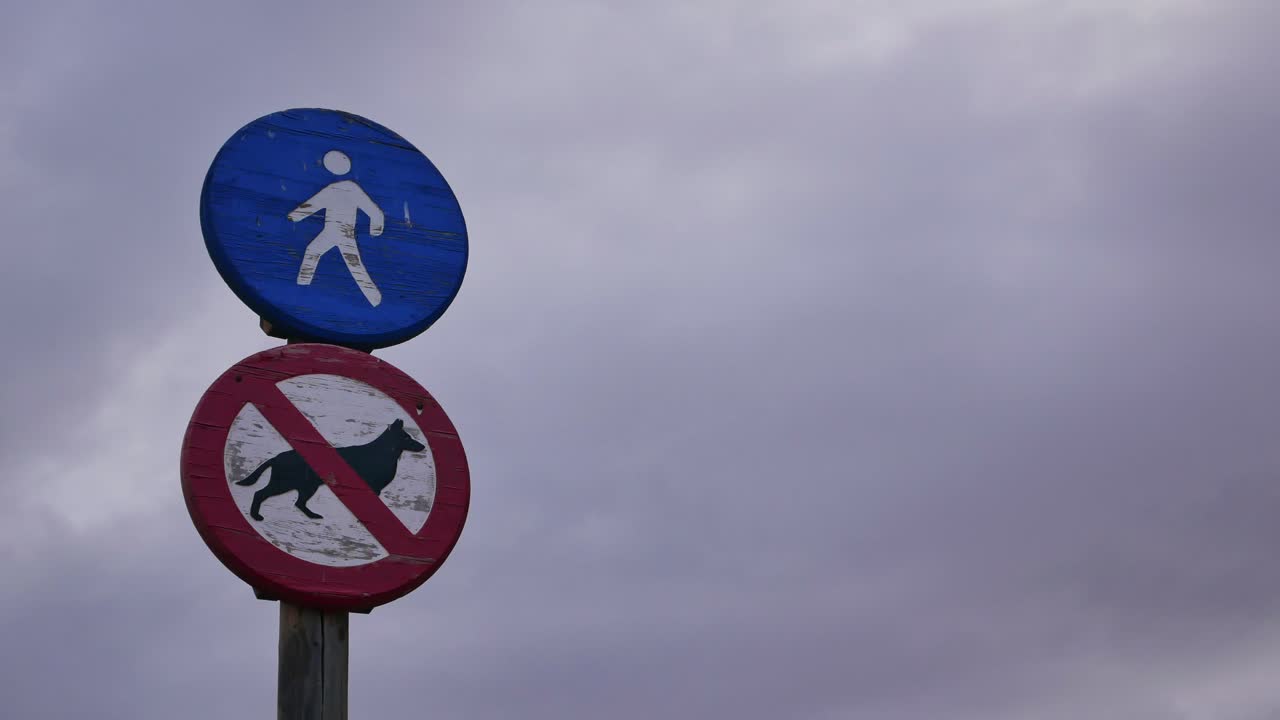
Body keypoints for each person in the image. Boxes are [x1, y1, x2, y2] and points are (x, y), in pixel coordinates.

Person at [288, 150, 386, 307]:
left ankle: (374, 298)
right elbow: (313, 204)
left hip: (344, 232)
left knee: (353, 264)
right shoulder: (335, 188)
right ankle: (301, 288)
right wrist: (294, 216)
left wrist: (376, 229)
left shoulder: (350, 188)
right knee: (313, 251)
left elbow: (374, 211)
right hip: (330, 231)